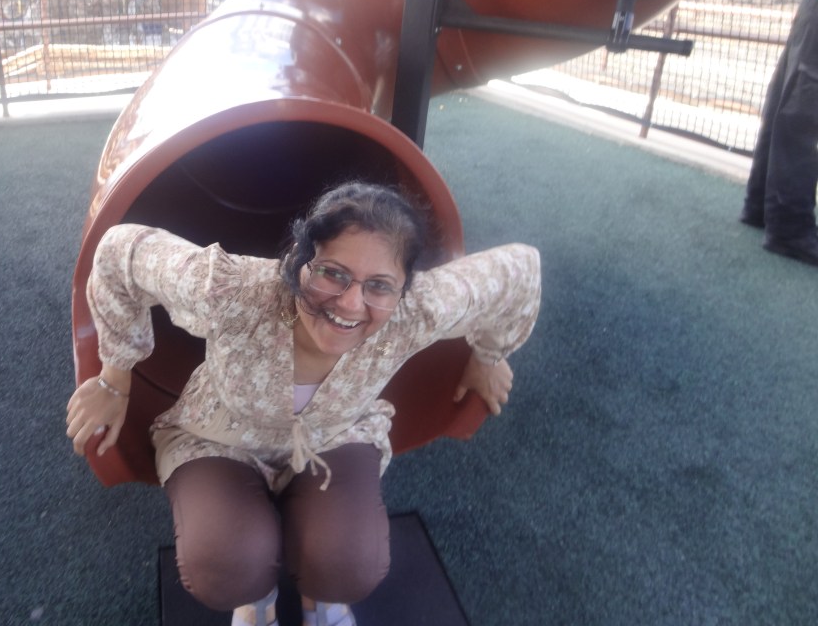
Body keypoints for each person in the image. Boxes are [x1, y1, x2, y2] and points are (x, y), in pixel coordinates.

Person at [66, 181, 541, 626]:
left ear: (404, 288)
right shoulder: (229, 290)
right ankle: (258, 604)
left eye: (379, 285)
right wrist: (115, 378)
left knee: (350, 563)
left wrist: (489, 354)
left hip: (333, 434)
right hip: (220, 433)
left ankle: (322, 601)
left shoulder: (416, 310)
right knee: (226, 563)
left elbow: (520, 268)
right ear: (299, 261)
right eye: (332, 273)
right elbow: (121, 249)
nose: (350, 304)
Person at [739, 0, 818, 266]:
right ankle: (789, 229)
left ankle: (760, 206)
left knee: (786, 107)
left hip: (814, 2)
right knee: (802, 118)